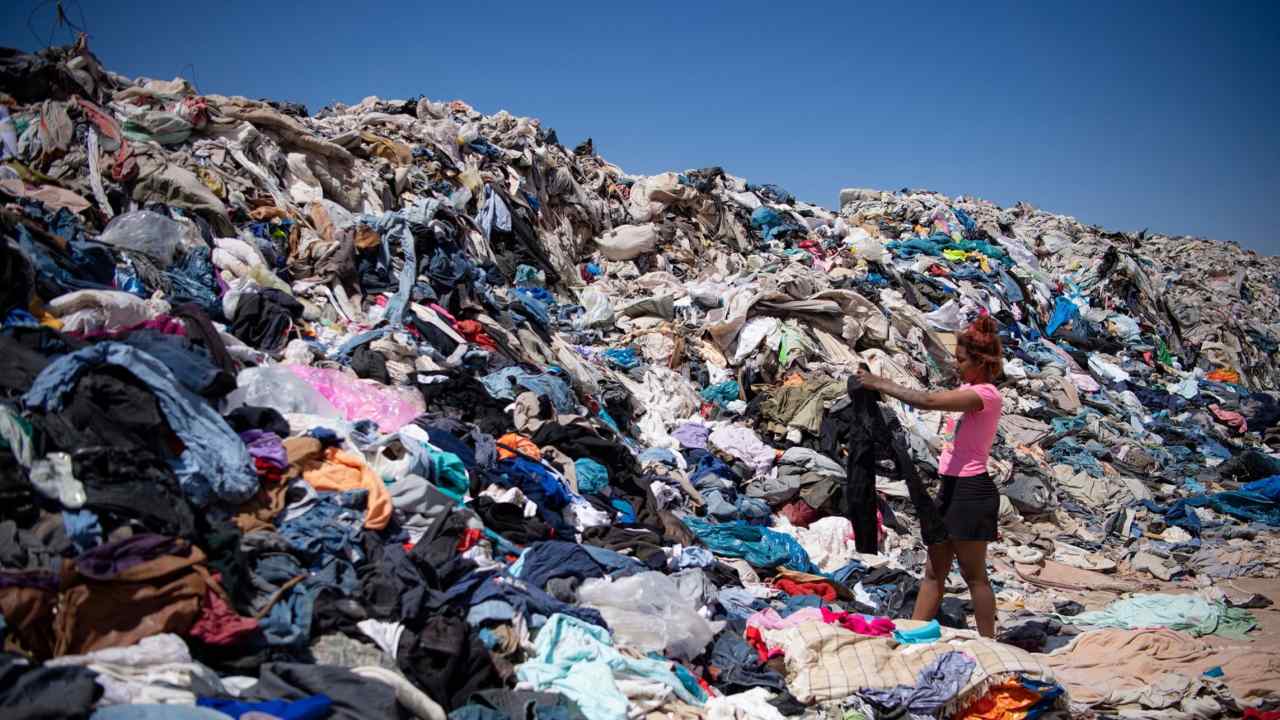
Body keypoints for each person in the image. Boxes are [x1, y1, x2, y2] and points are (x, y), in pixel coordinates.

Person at [852, 315, 1004, 637]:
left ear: (980, 362)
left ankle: (990, 642)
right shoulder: (970, 388)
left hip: (972, 491)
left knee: (974, 575)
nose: (957, 365)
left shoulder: (986, 395)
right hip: (949, 488)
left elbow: (929, 401)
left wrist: (880, 383)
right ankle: (911, 635)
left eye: (962, 360)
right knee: (934, 571)